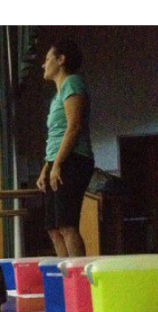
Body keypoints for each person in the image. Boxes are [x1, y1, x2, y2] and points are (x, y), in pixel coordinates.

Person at [36, 39, 94, 257]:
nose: (44, 64)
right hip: (58, 161)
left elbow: (74, 127)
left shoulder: (72, 83)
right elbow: (56, 135)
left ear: (61, 60)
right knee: (53, 228)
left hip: (74, 160)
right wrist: (46, 168)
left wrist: (57, 164)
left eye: (47, 59)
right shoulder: (57, 95)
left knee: (67, 225)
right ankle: (64, 274)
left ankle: (77, 276)